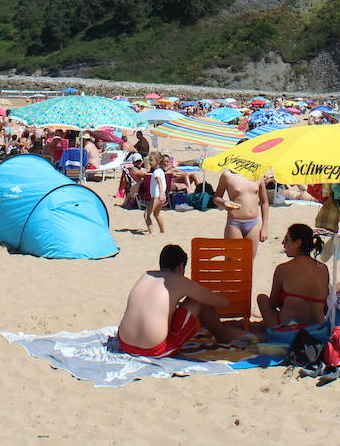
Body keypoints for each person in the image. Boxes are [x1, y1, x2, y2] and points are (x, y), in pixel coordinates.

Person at [114, 244, 244, 357]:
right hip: (154, 349)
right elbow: (222, 302)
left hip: (125, 344)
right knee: (198, 300)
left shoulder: (146, 275)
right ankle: (223, 335)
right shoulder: (179, 280)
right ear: (181, 266)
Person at [256, 224, 330, 329]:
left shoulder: (283, 269)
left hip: (288, 329)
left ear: (298, 243)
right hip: (317, 329)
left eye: (287, 240)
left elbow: (273, 303)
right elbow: (325, 305)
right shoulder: (323, 268)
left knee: (262, 298)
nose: (283, 243)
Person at [213, 168, 269, 253]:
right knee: (232, 261)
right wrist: (224, 203)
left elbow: (264, 202)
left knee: (249, 262)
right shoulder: (227, 175)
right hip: (235, 223)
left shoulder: (258, 174)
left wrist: (264, 227)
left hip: (253, 223)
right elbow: (216, 198)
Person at [144, 153, 168, 235]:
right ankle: (162, 231)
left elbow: (160, 183)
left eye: (151, 160)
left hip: (157, 197)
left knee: (146, 214)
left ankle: (152, 232)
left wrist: (161, 193)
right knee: (156, 214)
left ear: (157, 161)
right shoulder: (160, 171)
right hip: (160, 197)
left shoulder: (156, 172)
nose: (150, 162)